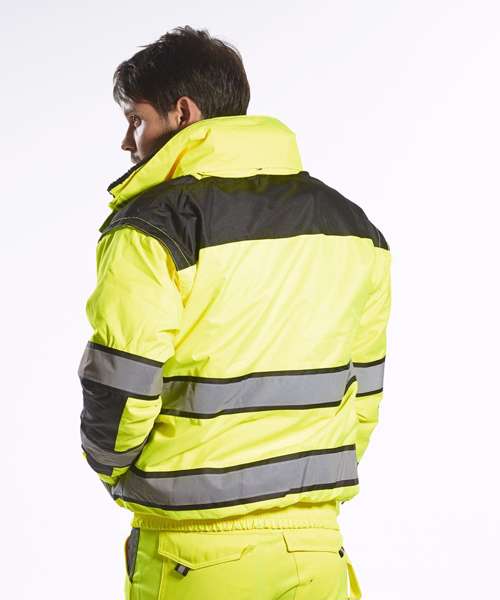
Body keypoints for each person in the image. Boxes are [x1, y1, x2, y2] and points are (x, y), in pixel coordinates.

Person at [77, 24, 392, 600]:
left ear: (183, 113)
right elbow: (363, 392)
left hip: (194, 555)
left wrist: (119, 471)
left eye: (136, 120)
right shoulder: (353, 227)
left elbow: (120, 386)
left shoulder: (153, 228)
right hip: (316, 550)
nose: (128, 142)